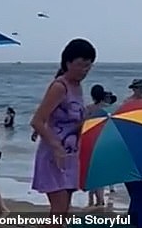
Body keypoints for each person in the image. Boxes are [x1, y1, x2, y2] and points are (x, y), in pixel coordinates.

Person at [30, 38, 96, 215]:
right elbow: (37, 121)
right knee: (58, 211)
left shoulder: (78, 87)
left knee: (63, 212)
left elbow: (73, 121)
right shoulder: (59, 86)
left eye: (89, 66)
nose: (85, 71)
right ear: (68, 62)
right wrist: (56, 146)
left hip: (71, 155)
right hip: (54, 156)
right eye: (81, 65)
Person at [85, 84, 117, 207]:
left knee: (91, 173)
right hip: (105, 144)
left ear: (92, 95)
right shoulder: (109, 110)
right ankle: (100, 200)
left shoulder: (88, 109)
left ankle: (92, 200)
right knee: (101, 174)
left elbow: (83, 127)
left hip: (90, 143)